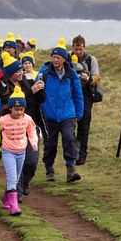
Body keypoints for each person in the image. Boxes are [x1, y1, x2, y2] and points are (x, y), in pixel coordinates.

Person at [0, 52, 46, 196]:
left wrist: (40, 90)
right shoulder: (3, 86)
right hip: (12, 130)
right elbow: (11, 104)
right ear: (10, 73)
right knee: (15, 163)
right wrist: (31, 92)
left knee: (31, 161)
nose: (20, 72)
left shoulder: (28, 82)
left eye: (21, 70)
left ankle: (24, 182)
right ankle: (15, 192)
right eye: (17, 70)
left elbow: (41, 100)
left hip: (30, 127)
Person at [38, 38, 84, 183]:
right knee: (49, 144)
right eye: (54, 57)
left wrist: (79, 113)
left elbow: (78, 94)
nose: (55, 60)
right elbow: (37, 91)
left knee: (69, 138)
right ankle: (49, 169)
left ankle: (71, 170)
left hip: (67, 114)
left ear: (64, 59)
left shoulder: (71, 74)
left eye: (58, 57)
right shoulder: (44, 72)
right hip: (49, 114)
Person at [0, 88, 38, 216]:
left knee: (15, 177)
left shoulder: (27, 119)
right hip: (8, 151)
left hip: (21, 151)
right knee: (12, 177)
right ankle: (14, 207)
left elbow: (32, 131)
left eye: (21, 109)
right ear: (10, 108)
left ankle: (6, 199)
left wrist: (34, 142)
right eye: (16, 109)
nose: (18, 112)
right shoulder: (3, 120)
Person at [71, 35, 101, 166]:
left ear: (84, 47)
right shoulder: (66, 57)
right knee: (69, 125)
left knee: (84, 126)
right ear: (72, 47)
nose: (78, 52)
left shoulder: (90, 59)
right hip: (70, 94)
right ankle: (72, 153)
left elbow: (97, 77)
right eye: (76, 49)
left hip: (85, 94)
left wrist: (87, 78)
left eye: (80, 49)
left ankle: (82, 155)